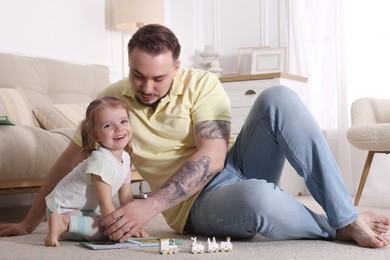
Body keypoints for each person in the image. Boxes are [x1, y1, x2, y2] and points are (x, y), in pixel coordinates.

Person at [0, 24, 389, 249]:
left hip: (230, 168)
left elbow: (214, 157)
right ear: (129, 65)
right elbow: (68, 160)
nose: (147, 86)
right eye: (138, 75)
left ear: (177, 66)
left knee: (279, 97)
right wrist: (30, 221)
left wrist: (146, 207)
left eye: (159, 77)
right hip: (193, 207)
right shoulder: (111, 103)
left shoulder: (202, 84)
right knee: (257, 199)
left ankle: (345, 216)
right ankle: (338, 226)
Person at [44, 96, 148, 246]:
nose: (119, 128)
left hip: (83, 211)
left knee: (110, 221)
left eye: (123, 121)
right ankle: (63, 223)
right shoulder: (102, 161)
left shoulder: (124, 158)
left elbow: (126, 198)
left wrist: (134, 226)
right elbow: (104, 202)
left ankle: (70, 223)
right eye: (108, 126)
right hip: (62, 209)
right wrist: (119, 229)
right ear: (95, 135)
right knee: (106, 230)